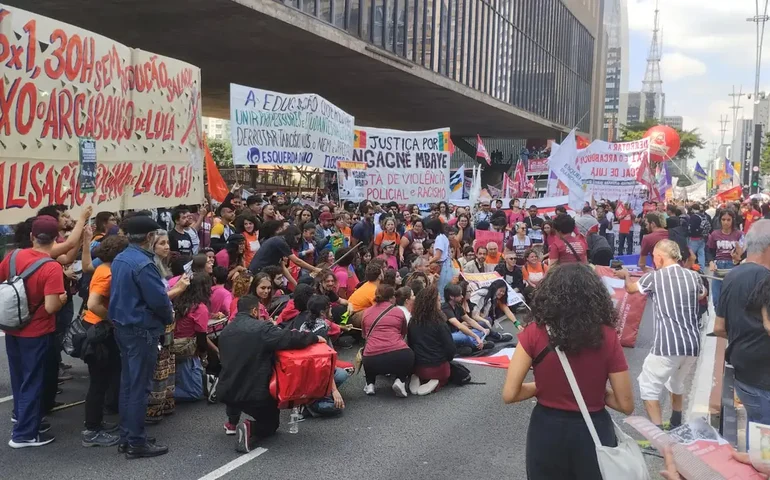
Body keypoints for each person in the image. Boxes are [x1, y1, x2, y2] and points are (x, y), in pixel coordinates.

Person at [502, 263, 634, 479]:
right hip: (593, 429)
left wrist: (541, 387)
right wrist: (593, 391)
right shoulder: (608, 336)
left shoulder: (533, 333)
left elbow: (510, 393)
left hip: (546, 429)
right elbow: (625, 404)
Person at [218, 295, 325, 453]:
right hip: (253, 393)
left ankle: (232, 423)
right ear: (255, 311)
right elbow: (288, 338)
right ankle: (249, 428)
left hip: (226, 391)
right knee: (271, 424)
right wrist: (314, 337)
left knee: (235, 378)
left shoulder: (225, 332)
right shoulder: (261, 328)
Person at [617, 240, 705, 433]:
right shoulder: (693, 276)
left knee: (648, 386)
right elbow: (701, 294)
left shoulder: (654, 277)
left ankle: (658, 439)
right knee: (676, 382)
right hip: (692, 344)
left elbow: (631, 289)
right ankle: (676, 425)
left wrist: (625, 276)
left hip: (667, 345)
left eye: (654, 257)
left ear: (660, 257)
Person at [109, 215, 174, 458]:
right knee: (138, 387)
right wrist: (168, 317)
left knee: (128, 384)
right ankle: (136, 441)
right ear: (149, 237)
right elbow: (159, 300)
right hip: (141, 329)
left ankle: (128, 436)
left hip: (124, 327)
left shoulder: (121, 258)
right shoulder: (145, 264)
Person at [1, 216, 66, 448]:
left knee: (19, 377)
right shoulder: (51, 267)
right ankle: (25, 434)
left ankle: (22, 417)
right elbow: (51, 307)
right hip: (37, 331)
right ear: (56, 237)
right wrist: (62, 298)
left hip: (12, 326)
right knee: (33, 380)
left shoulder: (13, 256)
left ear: (32, 236)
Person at [714, 220, 770, 440]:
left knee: (757, 435)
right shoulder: (767, 280)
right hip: (765, 377)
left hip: (743, 375)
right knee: (763, 443)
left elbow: (719, 327)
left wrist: (744, 335)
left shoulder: (732, 276)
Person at [81, 235, 130, 448]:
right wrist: (112, 319)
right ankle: (92, 430)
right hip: (99, 331)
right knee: (98, 382)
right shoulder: (108, 273)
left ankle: (97, 423)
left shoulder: (102, 267)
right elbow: (93, 303)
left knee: (103, 378)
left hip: (96, 328)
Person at [361, 284, 414, 397]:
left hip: (371, 360)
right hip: (397, 355)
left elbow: (365, 335)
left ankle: (370, 383)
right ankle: (400, 381)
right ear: (392, 298)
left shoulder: (366, 312)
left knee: (366, 350)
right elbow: (403, 333)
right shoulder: (398, 312)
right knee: (409, 354)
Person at [407, 286, 455, 395]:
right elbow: (450, 348)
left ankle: (417, 377)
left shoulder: (412, 321)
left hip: (418, 366)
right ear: (432, 303)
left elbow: (411, 343)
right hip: (437, 367)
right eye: (438, 300)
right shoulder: (440, 322)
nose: (440, 303)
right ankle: (436, 382)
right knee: (447, 372)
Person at [172, 274, 212, 402]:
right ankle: (158, 395)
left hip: (173, 347)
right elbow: (201, 337)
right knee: (194, 392)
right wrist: (204, 356)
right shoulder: (199, 308)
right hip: (188, 353)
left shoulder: (178, 302)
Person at [248, 227, 321, 285]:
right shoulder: (280, 242)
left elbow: (283, 268)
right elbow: (296, 261)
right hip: (257, 272)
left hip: (261, 271)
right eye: (297, 238)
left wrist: (296, 285)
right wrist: (314, 269)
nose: (296, 242)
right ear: (291, 236)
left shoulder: (279, 241)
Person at [706, 209, 744, 309]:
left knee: (733, 298)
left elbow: (744, 253)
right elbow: (709, 250)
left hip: (733, 267)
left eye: (728, 220)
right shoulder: (714, 234)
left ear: (733, 220)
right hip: (718, 267)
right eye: (723, 219)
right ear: (720, 220)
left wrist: (738, 258)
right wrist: (710, 262)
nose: (726, 222)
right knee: (717, 299)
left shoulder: (739, 234)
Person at [424, 218, 453, 302]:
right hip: (447, 265)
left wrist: (427, 263)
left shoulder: (439, 238)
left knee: (441, 291)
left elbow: (438, 256)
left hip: (443, 267)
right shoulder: (444, 236)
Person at [686, 203, 710, 267]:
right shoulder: (703, 216)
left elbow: (691, 228)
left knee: (690, 254)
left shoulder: (694, 217)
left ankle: (689, 267)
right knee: (701, 253)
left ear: (693, 209)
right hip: (702, 237)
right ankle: (702, 268)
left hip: (694, 238)